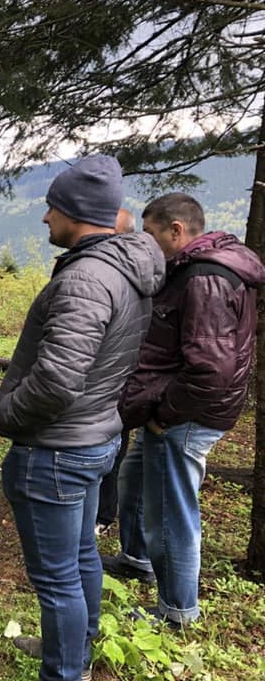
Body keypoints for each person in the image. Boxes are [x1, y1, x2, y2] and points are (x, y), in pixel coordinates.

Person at [0, 156, 165, 681]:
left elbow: (58, 379)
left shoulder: (87, 277)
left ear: (76, 212)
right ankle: (76, 648)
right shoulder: (123, 267)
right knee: (82, 554)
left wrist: (8, 415)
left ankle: (65, 671)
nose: (45, 218)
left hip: (57, 449)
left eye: (53, 207)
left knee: (56, 576)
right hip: (95, 436)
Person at [103, 193, 265, 627]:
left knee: (170, 510)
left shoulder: (203, 278)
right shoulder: (195, 270)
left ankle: (175, 611)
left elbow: (210, 367)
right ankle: (136, 557)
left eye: (152, 234)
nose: (147, 242)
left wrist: (165, 414)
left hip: (186, 415)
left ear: (176, 231)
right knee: (134, 475)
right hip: (176, 407)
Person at [94, 207, 137, 535]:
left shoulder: (135, 275)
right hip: (97, 376)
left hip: (119, 379)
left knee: (113, 445)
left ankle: (103, 515)